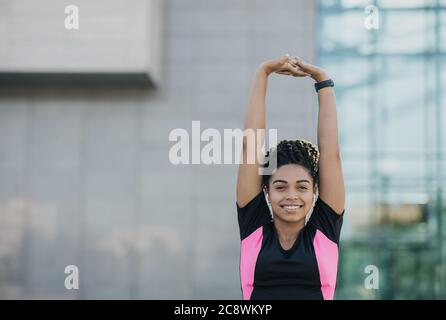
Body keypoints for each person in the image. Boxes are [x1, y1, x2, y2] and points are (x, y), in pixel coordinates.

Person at [236, 54, 345, 300]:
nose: (291, 196)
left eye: (302, 187)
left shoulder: (324, 231)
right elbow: (249, 145)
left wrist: (323, 80)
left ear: (316, 189)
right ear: (266, 190)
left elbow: (331, 154)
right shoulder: (253, 226)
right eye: (281, 186)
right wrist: (263, 71)